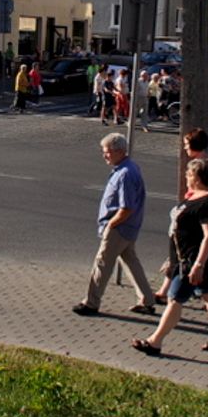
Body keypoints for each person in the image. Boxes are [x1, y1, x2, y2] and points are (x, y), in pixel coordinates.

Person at [131, 157, 208, 356]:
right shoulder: (195, 196)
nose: (186, 177)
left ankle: (155, 341)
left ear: (197, 176)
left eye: (189, 174)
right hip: (184, 258)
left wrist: (199, 265)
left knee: (175, 299)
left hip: (192, 262)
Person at [73, 133, 154, 316]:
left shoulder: (125, 174)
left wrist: (111, 224)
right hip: (128, 227)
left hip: (120, 227)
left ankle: (91, 302)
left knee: (102, 263)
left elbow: (126, 207)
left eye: (107, 152)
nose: (105, 156)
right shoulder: (127, 168)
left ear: (118, 151)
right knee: (131, 261)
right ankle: (147, 299)